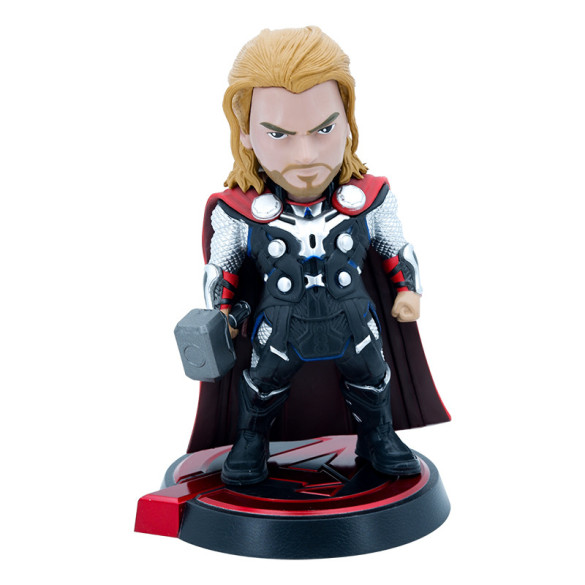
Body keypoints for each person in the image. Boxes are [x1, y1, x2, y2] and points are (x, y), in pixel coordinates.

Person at [193, 26, 450, 485]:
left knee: (372, 373)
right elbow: (222, 270)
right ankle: (251, 441)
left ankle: (378, 437)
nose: (306, 154)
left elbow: (395, 247)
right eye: (279, 134)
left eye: (323, 129)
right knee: (263, 380)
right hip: (280, 322)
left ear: (348, 120)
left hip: (353, 317)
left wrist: (408, 291)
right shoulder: (239, 212)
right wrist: (223, 315)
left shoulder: (369, 199)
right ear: (245, 131)